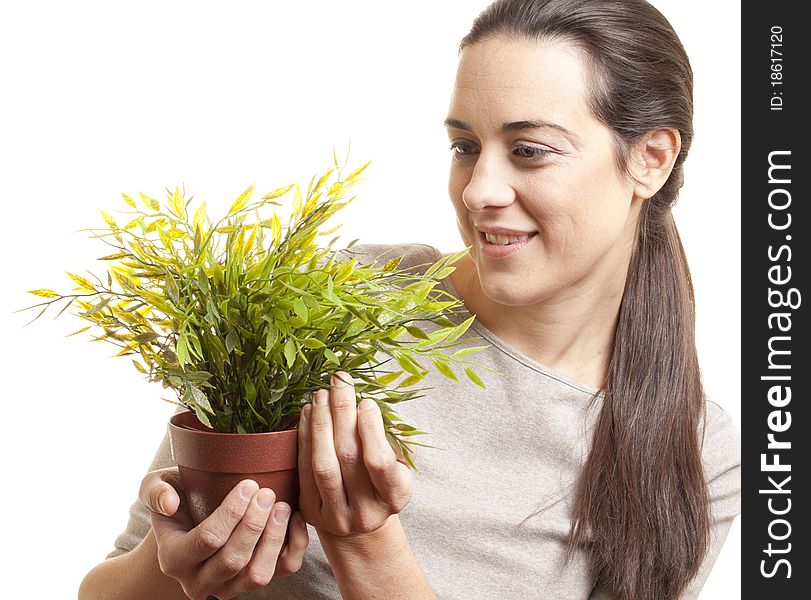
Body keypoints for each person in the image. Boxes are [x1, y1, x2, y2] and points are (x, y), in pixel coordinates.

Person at [78, 0, 741, 598]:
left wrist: (364, 546)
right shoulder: (336, 299)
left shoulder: (697, 453)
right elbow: (107, 588)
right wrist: (172, 568)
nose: (480, 189)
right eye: (464, 146)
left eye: (529, 150)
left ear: (649, 158)